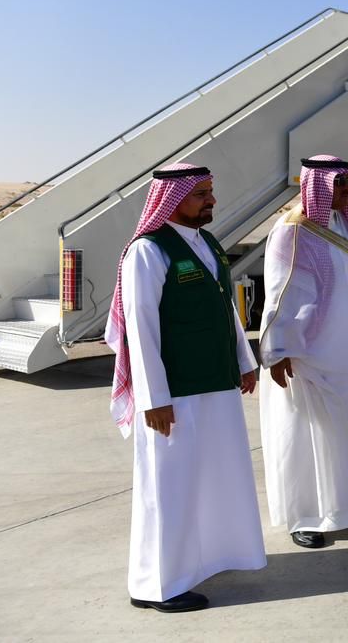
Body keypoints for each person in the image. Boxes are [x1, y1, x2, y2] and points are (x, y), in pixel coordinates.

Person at [105, 163, 266, 613]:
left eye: (211, 191)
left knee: (214, 476)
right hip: (174, 393)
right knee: (168, 486)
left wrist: (243, 362)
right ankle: (158, 585)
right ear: (172, 200)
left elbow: (224, 309)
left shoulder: (207, 242)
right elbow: (140, 329)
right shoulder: (148, 251)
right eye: (200, 194)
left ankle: (202, 561)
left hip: (215, 383)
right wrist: (153, 399)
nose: (211, 200)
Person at [258, 155, 348, 549]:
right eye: (337, 184)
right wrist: (278, 350)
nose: (345, 191)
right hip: (312, 352)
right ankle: (306, 516)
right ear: (316, 185)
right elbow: (279, 293)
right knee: (309, 431)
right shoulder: (292, 231)